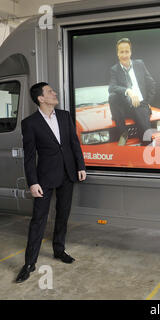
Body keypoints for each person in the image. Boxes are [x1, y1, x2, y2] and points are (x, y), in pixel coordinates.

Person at [16, 82, 86, 283]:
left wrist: (80, 166)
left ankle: (59, 250)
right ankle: (29, 263)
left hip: (67, 174)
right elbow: (29, 157)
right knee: (38, 220)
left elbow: (74, 143)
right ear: (41, 98)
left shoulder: (64, 116)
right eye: (50, 92)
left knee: (63, 215)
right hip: (44, 178)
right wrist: (32, 182)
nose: (54, 93)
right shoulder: (30, 123)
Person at [108, 38, 156, 145]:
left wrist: (147, 102)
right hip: (125, 106)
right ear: (117, 54)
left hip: (140, 104)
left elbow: (151, 83)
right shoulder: (114, 69)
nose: (124, 55)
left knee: (146, 138)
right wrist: (128, 90)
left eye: (127, 51)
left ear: (131, 52)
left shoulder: (140, 64)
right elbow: (111, 87)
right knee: (112, 97)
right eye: (121, 52)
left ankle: (146, 153)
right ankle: (123, 134)